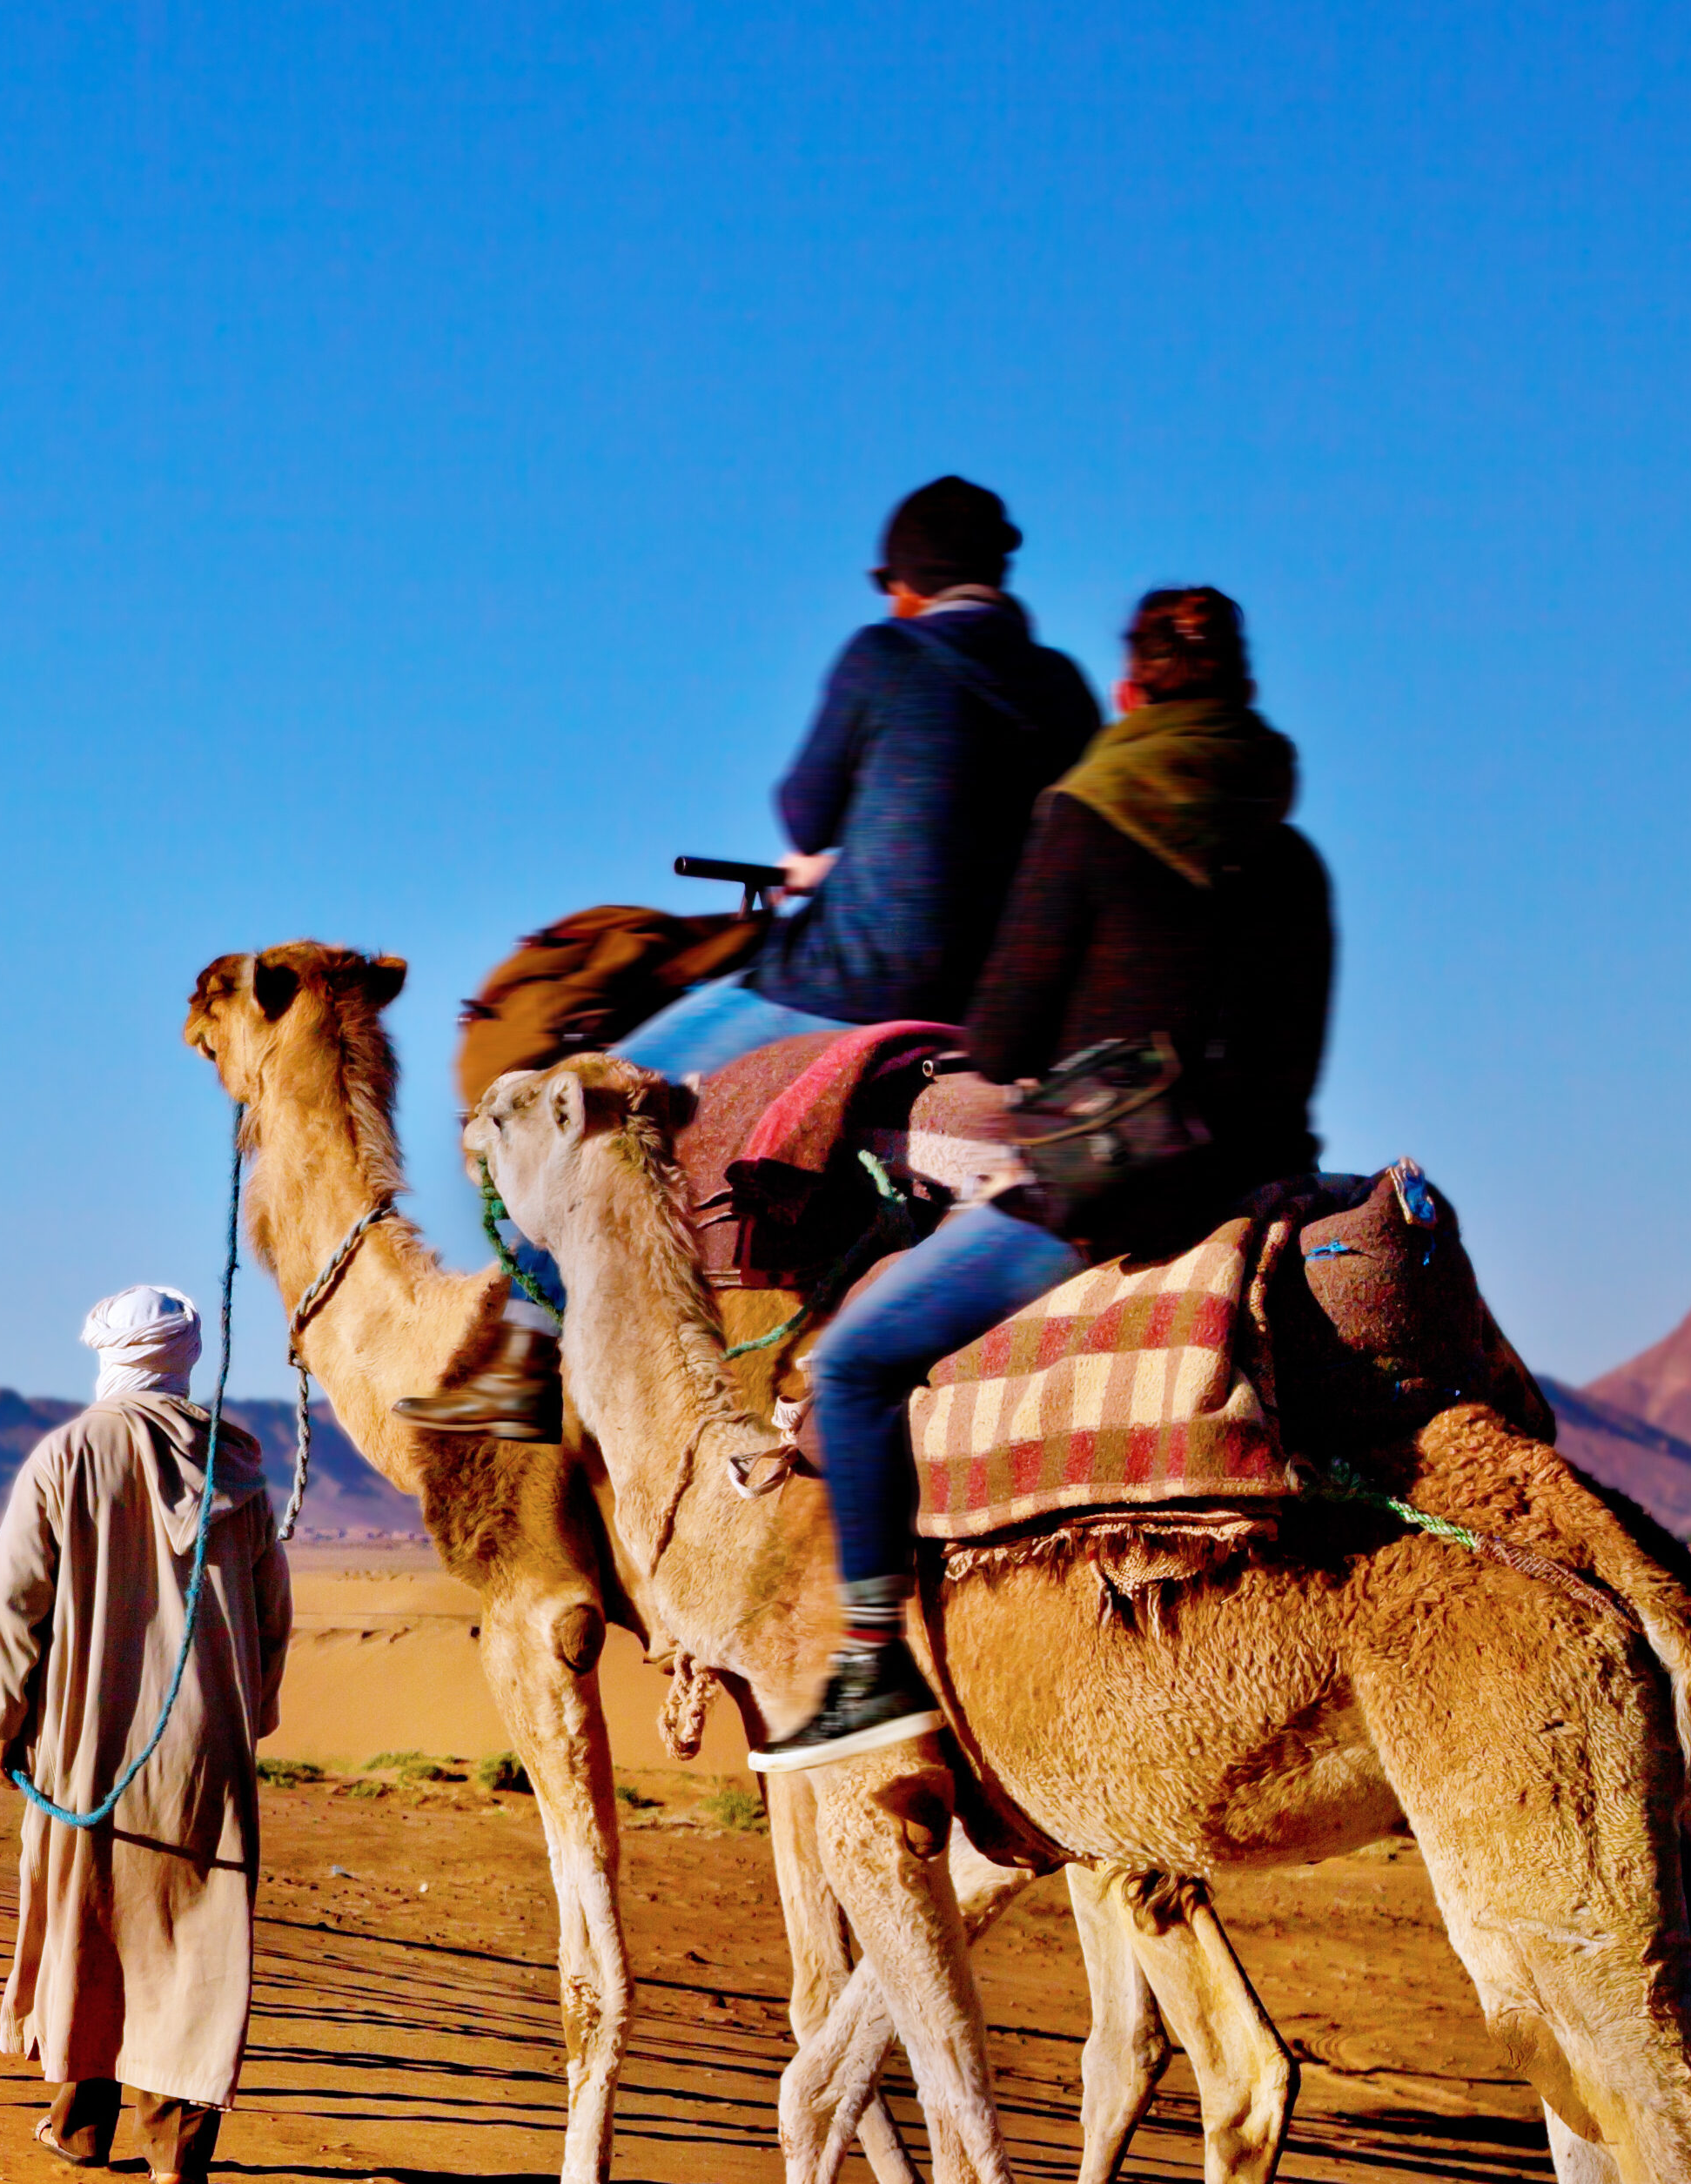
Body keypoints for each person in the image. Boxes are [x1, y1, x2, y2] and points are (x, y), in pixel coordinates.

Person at [759, 585, 1334, 1772]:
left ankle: (872, 1665)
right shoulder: (1291, 854)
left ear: (1129, 694)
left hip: (1109, 1194)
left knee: (857, 1362)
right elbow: (1296, 1059)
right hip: (1266, 1184)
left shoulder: (1084, 814)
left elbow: (1011, 1037)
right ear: (1243, 694)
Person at [406, 478, 1103, 1440]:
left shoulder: (883, 651)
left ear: (903, 584)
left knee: (598, 1092)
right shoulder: (1063, 686)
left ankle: (525, 1357)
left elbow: (804, 811)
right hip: (1001, 1004)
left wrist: (840, 851)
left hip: (848, 982)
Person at [0, 1285, 295, 2184]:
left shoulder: (67, 1454)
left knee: (89, 1918)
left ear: (113, 1357)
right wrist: (245, 1714)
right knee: (194, 1935)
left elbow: (14, 1600)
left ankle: (79, 2126)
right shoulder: (239, 1464)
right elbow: (271, 1613)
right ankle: (175, 2150)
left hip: (87, 1741)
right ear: (180, 1357)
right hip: (203, 1751)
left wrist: (2, 1718)